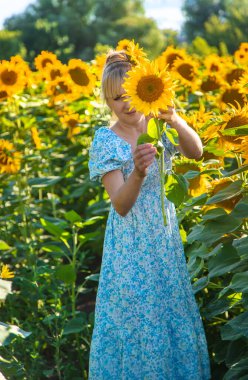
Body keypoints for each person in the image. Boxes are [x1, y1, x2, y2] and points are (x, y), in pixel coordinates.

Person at [88, 50, 211, 380]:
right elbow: (121, 205)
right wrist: (139, 173)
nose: (126, 105)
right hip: (131, 249)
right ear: (106, 101)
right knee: (140, 315)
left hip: (164, 239)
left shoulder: (158, 125)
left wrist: (174, 119)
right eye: (116, 98)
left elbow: (195, 153)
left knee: (169, 307)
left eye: (130, 94)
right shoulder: (107, 141)